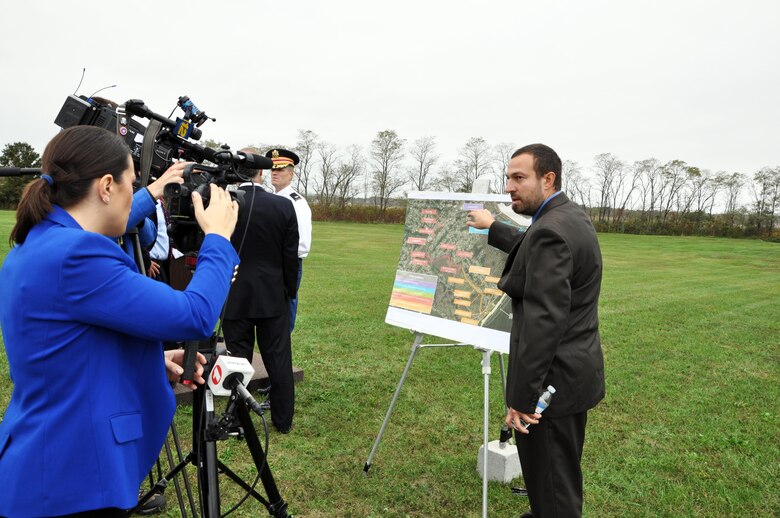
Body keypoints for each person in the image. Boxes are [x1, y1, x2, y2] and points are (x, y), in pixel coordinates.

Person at [0, 125, 240, 518]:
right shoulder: (78, 254)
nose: (137, 193)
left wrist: (149, 361)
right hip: (70, 479)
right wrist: (219, 239)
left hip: (51, 466)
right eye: (133, 181)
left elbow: (64, 347)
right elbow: (194, 314)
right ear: (107, 186)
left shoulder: (41, 244)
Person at [467, 143, 604, 517]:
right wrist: (494, 226)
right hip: (572, 376)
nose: (509, 187)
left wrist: (523, 401)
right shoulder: (567, 216)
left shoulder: (550, 231)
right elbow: (534, 248)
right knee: (552, 481)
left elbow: (544, 324)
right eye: (508, 177)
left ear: (548, 178)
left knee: (555, 490)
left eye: (519, 178)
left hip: (549, 389)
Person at [223, 150, 299, 433]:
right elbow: (290, 256)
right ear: (262, 172)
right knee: (278, 359)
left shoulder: (225, 204)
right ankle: (283, 420)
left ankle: (236, 419)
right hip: (271, 294)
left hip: (234, 292)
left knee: (236, 361)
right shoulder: (282, 206)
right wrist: (289, 291)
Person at [267, 148, 312, 332]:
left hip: (288, 262)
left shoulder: (296, 202)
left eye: (280, 169)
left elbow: (301, 243)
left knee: (286, 306)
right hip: (271, 262)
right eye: (273, 169)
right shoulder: (271, 199)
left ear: (291, 174)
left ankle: (283, 342)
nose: (275, 173)